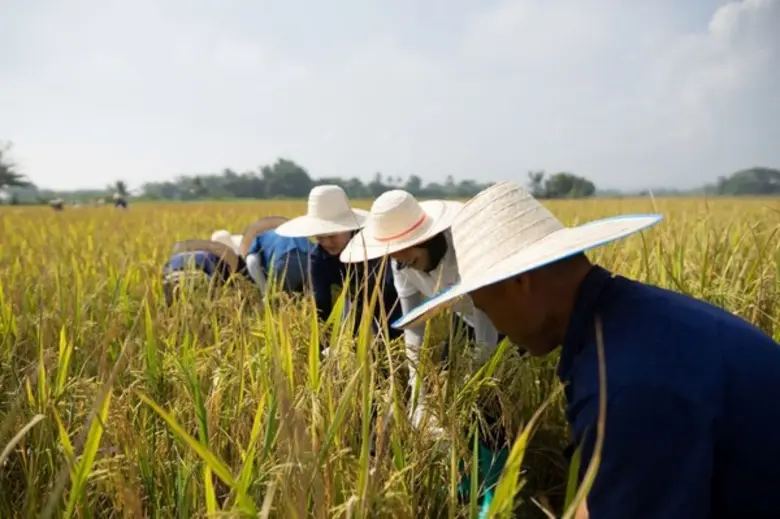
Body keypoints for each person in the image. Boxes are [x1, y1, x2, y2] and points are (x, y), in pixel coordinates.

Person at [392, 181, 780, 519]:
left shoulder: (625, 382)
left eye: (483, 305)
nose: (490, 319)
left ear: (521, 283)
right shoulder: (625, 320)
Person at [339, 190, 502, 429]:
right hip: (465, 320)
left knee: (487, 400)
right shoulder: (401, 264)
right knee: (446, 388)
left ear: (426, 238)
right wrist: (418, 395)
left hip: (505, 318)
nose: (403, 263)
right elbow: (413, 326)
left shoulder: (463, 247)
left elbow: (486, 311)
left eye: (409, 255)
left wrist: (477, 378)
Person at [274, 185, 403, 346]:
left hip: (392, 307)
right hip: (356, 306)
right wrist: (325, 345)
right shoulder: (318, 257)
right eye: (320, 237)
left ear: (349, 228)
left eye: (332, 235)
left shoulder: (372, 248)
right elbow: (321, 304)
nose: (327, 243)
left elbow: (383, 296)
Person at [235, 216, 314, 296]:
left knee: (281, 300)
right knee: (311, 298)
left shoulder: (260, 237)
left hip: (284, 262)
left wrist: (264, 291)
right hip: (311, 259)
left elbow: (251, 261)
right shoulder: (297, 232)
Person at [161, 238, 247, 305]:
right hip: (197, 278)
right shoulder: (215, 260)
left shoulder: (177, 256)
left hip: (171, 278)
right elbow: (217, 284)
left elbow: (164, 273)